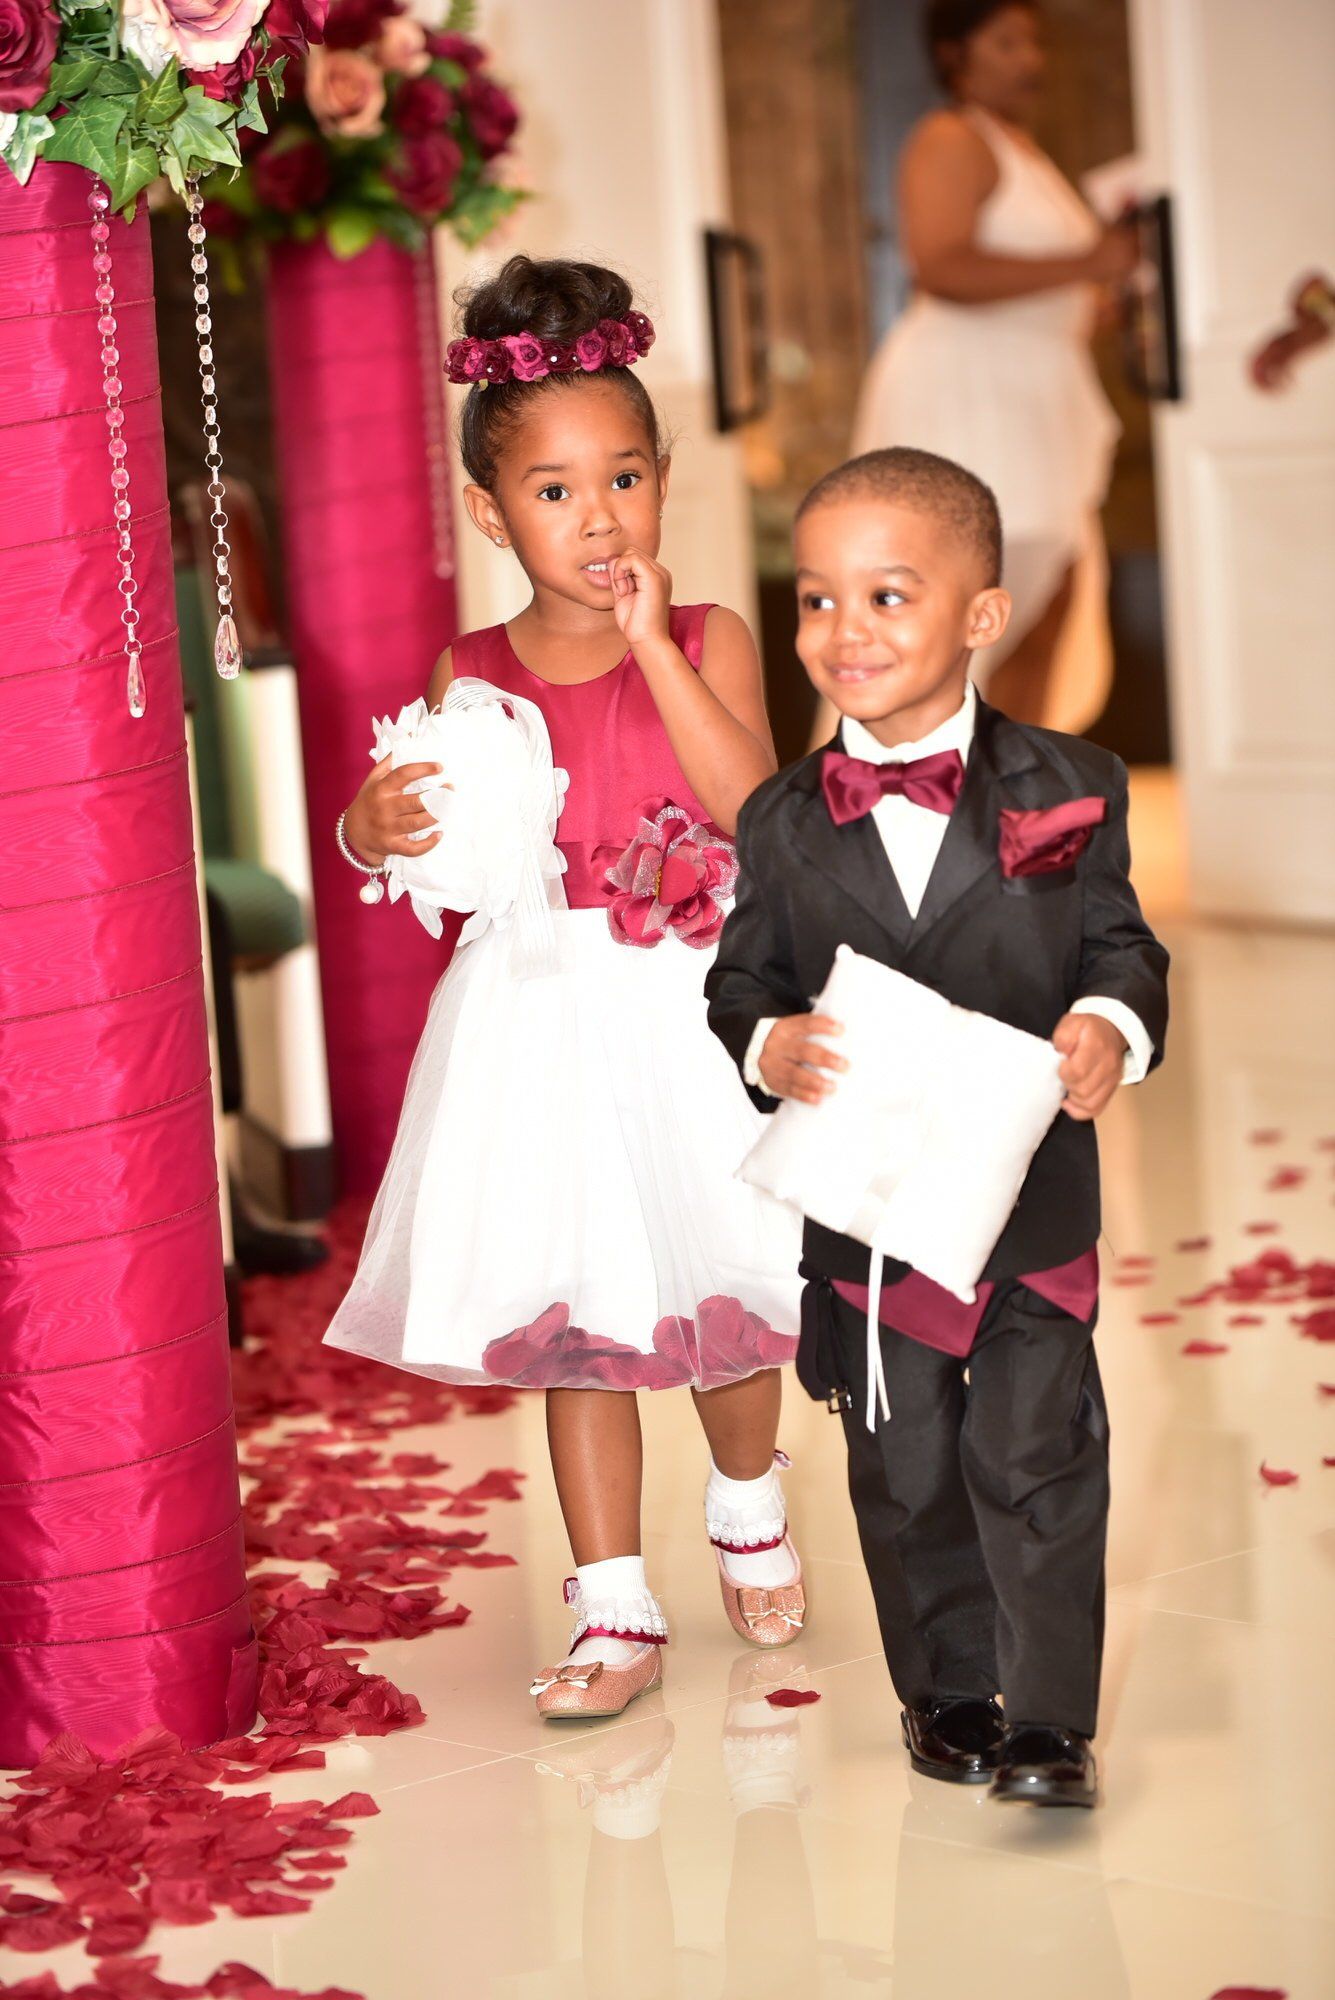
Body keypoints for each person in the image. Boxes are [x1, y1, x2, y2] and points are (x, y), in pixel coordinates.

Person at [325, 256, 806, 1720]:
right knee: (579, 1317)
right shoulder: (469, 666)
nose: (595, 519)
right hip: (539, 1022)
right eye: (552, 492)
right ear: (491, 512)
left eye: (622, 481)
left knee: (724, 1289)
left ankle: (747, 1502)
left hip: (689, 1017)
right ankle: (609, 1605)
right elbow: (444, 844)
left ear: (662, 485)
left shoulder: (710, 634)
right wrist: (372, 825)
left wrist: (653, 644)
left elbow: (755, 810)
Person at [706, 447, 1169, 1807]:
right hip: (867, 1220)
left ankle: (1048, 1721)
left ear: (978, 615)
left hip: (1027, 1213)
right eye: (813, 601)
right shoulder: (782, 821)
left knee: (1035, 1458)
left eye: (886, 596)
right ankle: (947, 1693)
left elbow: (1119, 949)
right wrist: (765, 1041)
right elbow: (741, 979)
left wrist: (1109, 1024)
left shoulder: (1066, 783)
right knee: (902, 1469)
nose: (842, 634)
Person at [851, 0, 1136, 730]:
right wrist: (1090, 261)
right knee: (977, 610)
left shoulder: (1020, 148)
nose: (1029, 59)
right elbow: (940, 265)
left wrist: (1090, 299)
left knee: (1049, 609)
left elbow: (1029, 282)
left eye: (1032, 43)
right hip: (970, 399)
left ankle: (1009, 812)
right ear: (953, 53)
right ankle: (927, 811)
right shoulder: (948, 137)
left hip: (1033, 398)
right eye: (1006, 42)